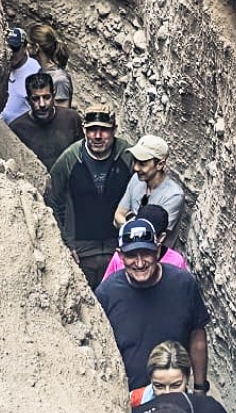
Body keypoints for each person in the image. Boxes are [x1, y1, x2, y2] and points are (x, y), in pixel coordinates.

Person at [96, 218, 209, 392]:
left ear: (157, 251)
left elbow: (197, 337)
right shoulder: (107, 294)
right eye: (132, 255)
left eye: (146, 253)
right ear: (120, 256)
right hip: (130, 399)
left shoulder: (183, 284)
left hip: (174, 393)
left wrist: (200, 387)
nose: (140, 263)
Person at [45, 104, 135, 288]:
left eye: (104, 130)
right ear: (84, 130)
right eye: (92, 129)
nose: (97, 136)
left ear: (114, 130)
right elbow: (52, 198)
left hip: (118, 251)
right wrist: (67, 242)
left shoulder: (127, 155)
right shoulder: (70, 158)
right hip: (82, 252)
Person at [114, 134, 185, 248]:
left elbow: (150, 237)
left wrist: (128, 221)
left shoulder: (173, 196)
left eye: (142, 163)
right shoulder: (136, 180)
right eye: (135, 161)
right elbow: (118, 216)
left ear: (160, 164)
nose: (136, 168)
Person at [8, 72, 84, 169]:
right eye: (35, 99)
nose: (42, 104)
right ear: (28, 100)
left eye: (46, 97)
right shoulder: (17, 129)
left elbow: (82, 155)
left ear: (54, 96)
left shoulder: (72, 118)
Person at [102, 203, 187, 283]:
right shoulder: (121, 257)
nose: (140, 264)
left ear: (161, 237)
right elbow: (106, 286)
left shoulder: (176, 261)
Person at [0, 27, 42, 124]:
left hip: (21, 131)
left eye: (15, 49)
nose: (11, 53)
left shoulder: (35, 70)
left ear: (24, 47)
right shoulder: (0, 64)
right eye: (9, 48)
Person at [27, 23, 74, 107]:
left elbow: (62, 114)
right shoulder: (41, 72)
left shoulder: (59, 79)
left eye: (28, 43)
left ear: (36, 47)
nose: (26, 46)